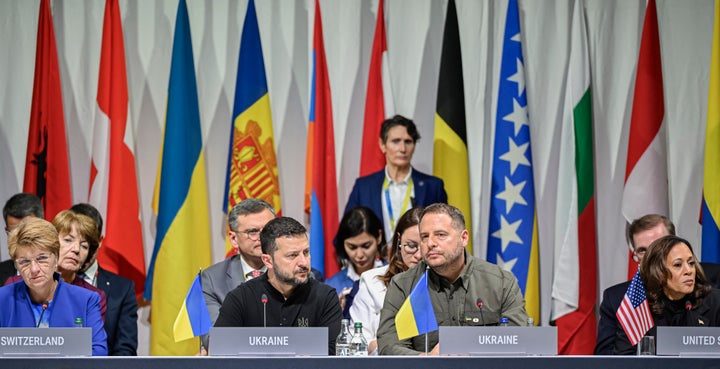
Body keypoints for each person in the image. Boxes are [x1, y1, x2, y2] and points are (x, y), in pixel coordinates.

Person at [377, 203, 527, 355]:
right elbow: (388, 345)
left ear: (463, 238)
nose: (430, 243)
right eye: (424, 237)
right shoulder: (404, 285)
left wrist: (472, 350)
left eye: (440, 235)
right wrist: (427, 358)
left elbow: (519, 339)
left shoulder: (500, 282)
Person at [214, 216, 342, 355]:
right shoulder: (240, 298)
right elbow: (221, 354)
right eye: (292, 255)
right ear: (268, 261)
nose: (303, 262)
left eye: (306, 252)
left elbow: (332, 355)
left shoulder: (325, 297)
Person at [0, 218, 107, 355]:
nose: (34, 269)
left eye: (42, 258)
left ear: (56, 258)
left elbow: (98, 353)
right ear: (16, 265)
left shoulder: (86, 300)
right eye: (24, 262)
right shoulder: (2, 299)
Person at [344, 115, 447, 242]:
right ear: (382, 145)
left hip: (419, 259)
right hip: (377, 260)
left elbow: (443, 231)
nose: (402, 149)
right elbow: (347, 231)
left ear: (414, 146)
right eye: (396, 141)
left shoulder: (433, 186)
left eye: (408, 142)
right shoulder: (364, 187)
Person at [611, 235, 720, 354]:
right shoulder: (639, 306)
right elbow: (624, 360)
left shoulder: (715, 303)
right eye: (678, 265)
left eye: (691, 263)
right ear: (658, 272)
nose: (689, 270)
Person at [5, 210, 108, 320]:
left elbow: (92, 336)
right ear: (51, 243)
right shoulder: (14, 285)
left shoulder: (92, 296)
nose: (76, 249)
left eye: (84, 246)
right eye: (68, 240)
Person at [594, 214, 673, 355]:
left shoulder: (704, 293)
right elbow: (604, 358)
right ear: (635, 256)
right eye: (642, 250)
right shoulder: (615, 299)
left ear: (675, 247)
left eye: (657, 246)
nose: (650, 255)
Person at [350, 207, 423, 355]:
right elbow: (357, 341)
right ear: (399, 241)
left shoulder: (446, 280)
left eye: (425, 246)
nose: (419, 255)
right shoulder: (372, 282)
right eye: (411, 246)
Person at [69, 203, 138, 356]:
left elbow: (125, 351)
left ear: (99, 241)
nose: (76, 249)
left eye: (85, 243)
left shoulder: (122, 289)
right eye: (70, 240)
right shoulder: (48, 282)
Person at [326, 206, 385, 310]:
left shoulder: (395, 275)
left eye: (366, 246)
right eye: (352, 247)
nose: (359, 255)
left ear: (379, 237)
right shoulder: (331, 287)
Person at [1, 193, 44, 285]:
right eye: (15, 233)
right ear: (7, 232)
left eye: (28, 231)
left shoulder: (60, 272)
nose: (23, 239)